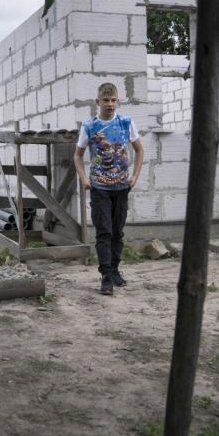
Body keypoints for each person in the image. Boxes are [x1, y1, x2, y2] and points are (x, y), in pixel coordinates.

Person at [74, 83, 144, 295]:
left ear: (118, 101)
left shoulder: (126, 123)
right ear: (98, 102)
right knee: (104, 231)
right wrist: (84, 178)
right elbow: (77, 155)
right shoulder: (90, 126)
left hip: (122, 187)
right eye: (106, 100)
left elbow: (139, 150)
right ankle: (105, 276)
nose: (110, 104)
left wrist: (134, 177)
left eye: (113, 100)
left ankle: (114, 270)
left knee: (117, 233)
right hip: (100, 188)